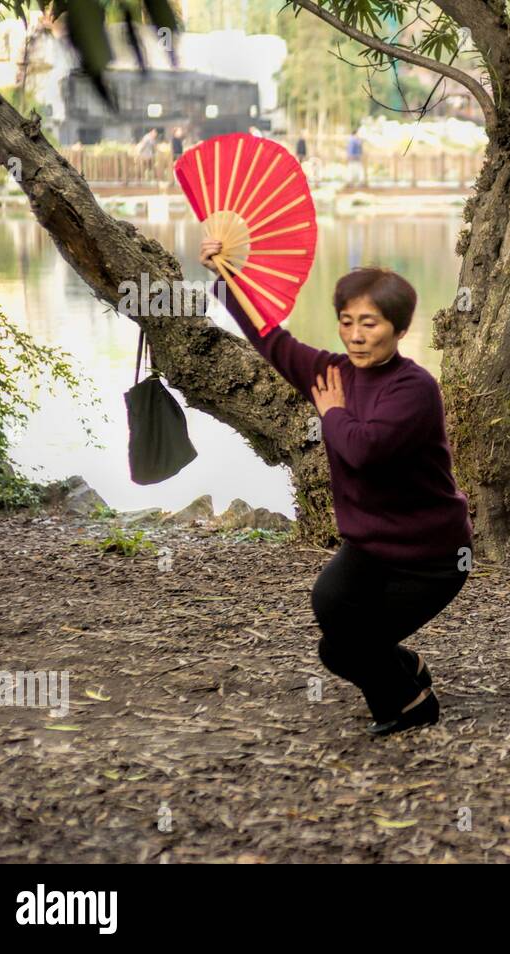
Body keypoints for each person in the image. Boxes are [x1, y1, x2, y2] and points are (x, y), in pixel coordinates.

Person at [199, 239, 473, 737]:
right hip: (371, 546)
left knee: (341, 649)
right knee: (329, 603)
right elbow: (271, 340)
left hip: (431, 556)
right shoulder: (332, 373)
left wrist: (332, 412)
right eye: (347, 322)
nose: (355, 335)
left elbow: (364, 451)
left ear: (399, 328)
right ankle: (406, 668)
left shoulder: (414, 389)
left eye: (369, 324)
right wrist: (225, 278)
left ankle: (413, 706)